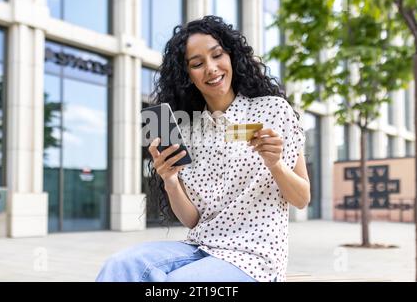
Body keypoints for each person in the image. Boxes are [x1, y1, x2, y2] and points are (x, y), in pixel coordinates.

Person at [96, 15, 310, 282]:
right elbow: (192, 220)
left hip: (254, 256)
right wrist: (170, 180)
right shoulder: (187, 130)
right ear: (188, 75)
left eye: (217, 55)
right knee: (119, 266)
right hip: (201, 247)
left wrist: (275, 164)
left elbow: (302, 199)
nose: (211, 68)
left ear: (232, 57)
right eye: (197, 64)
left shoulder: (274, 110)